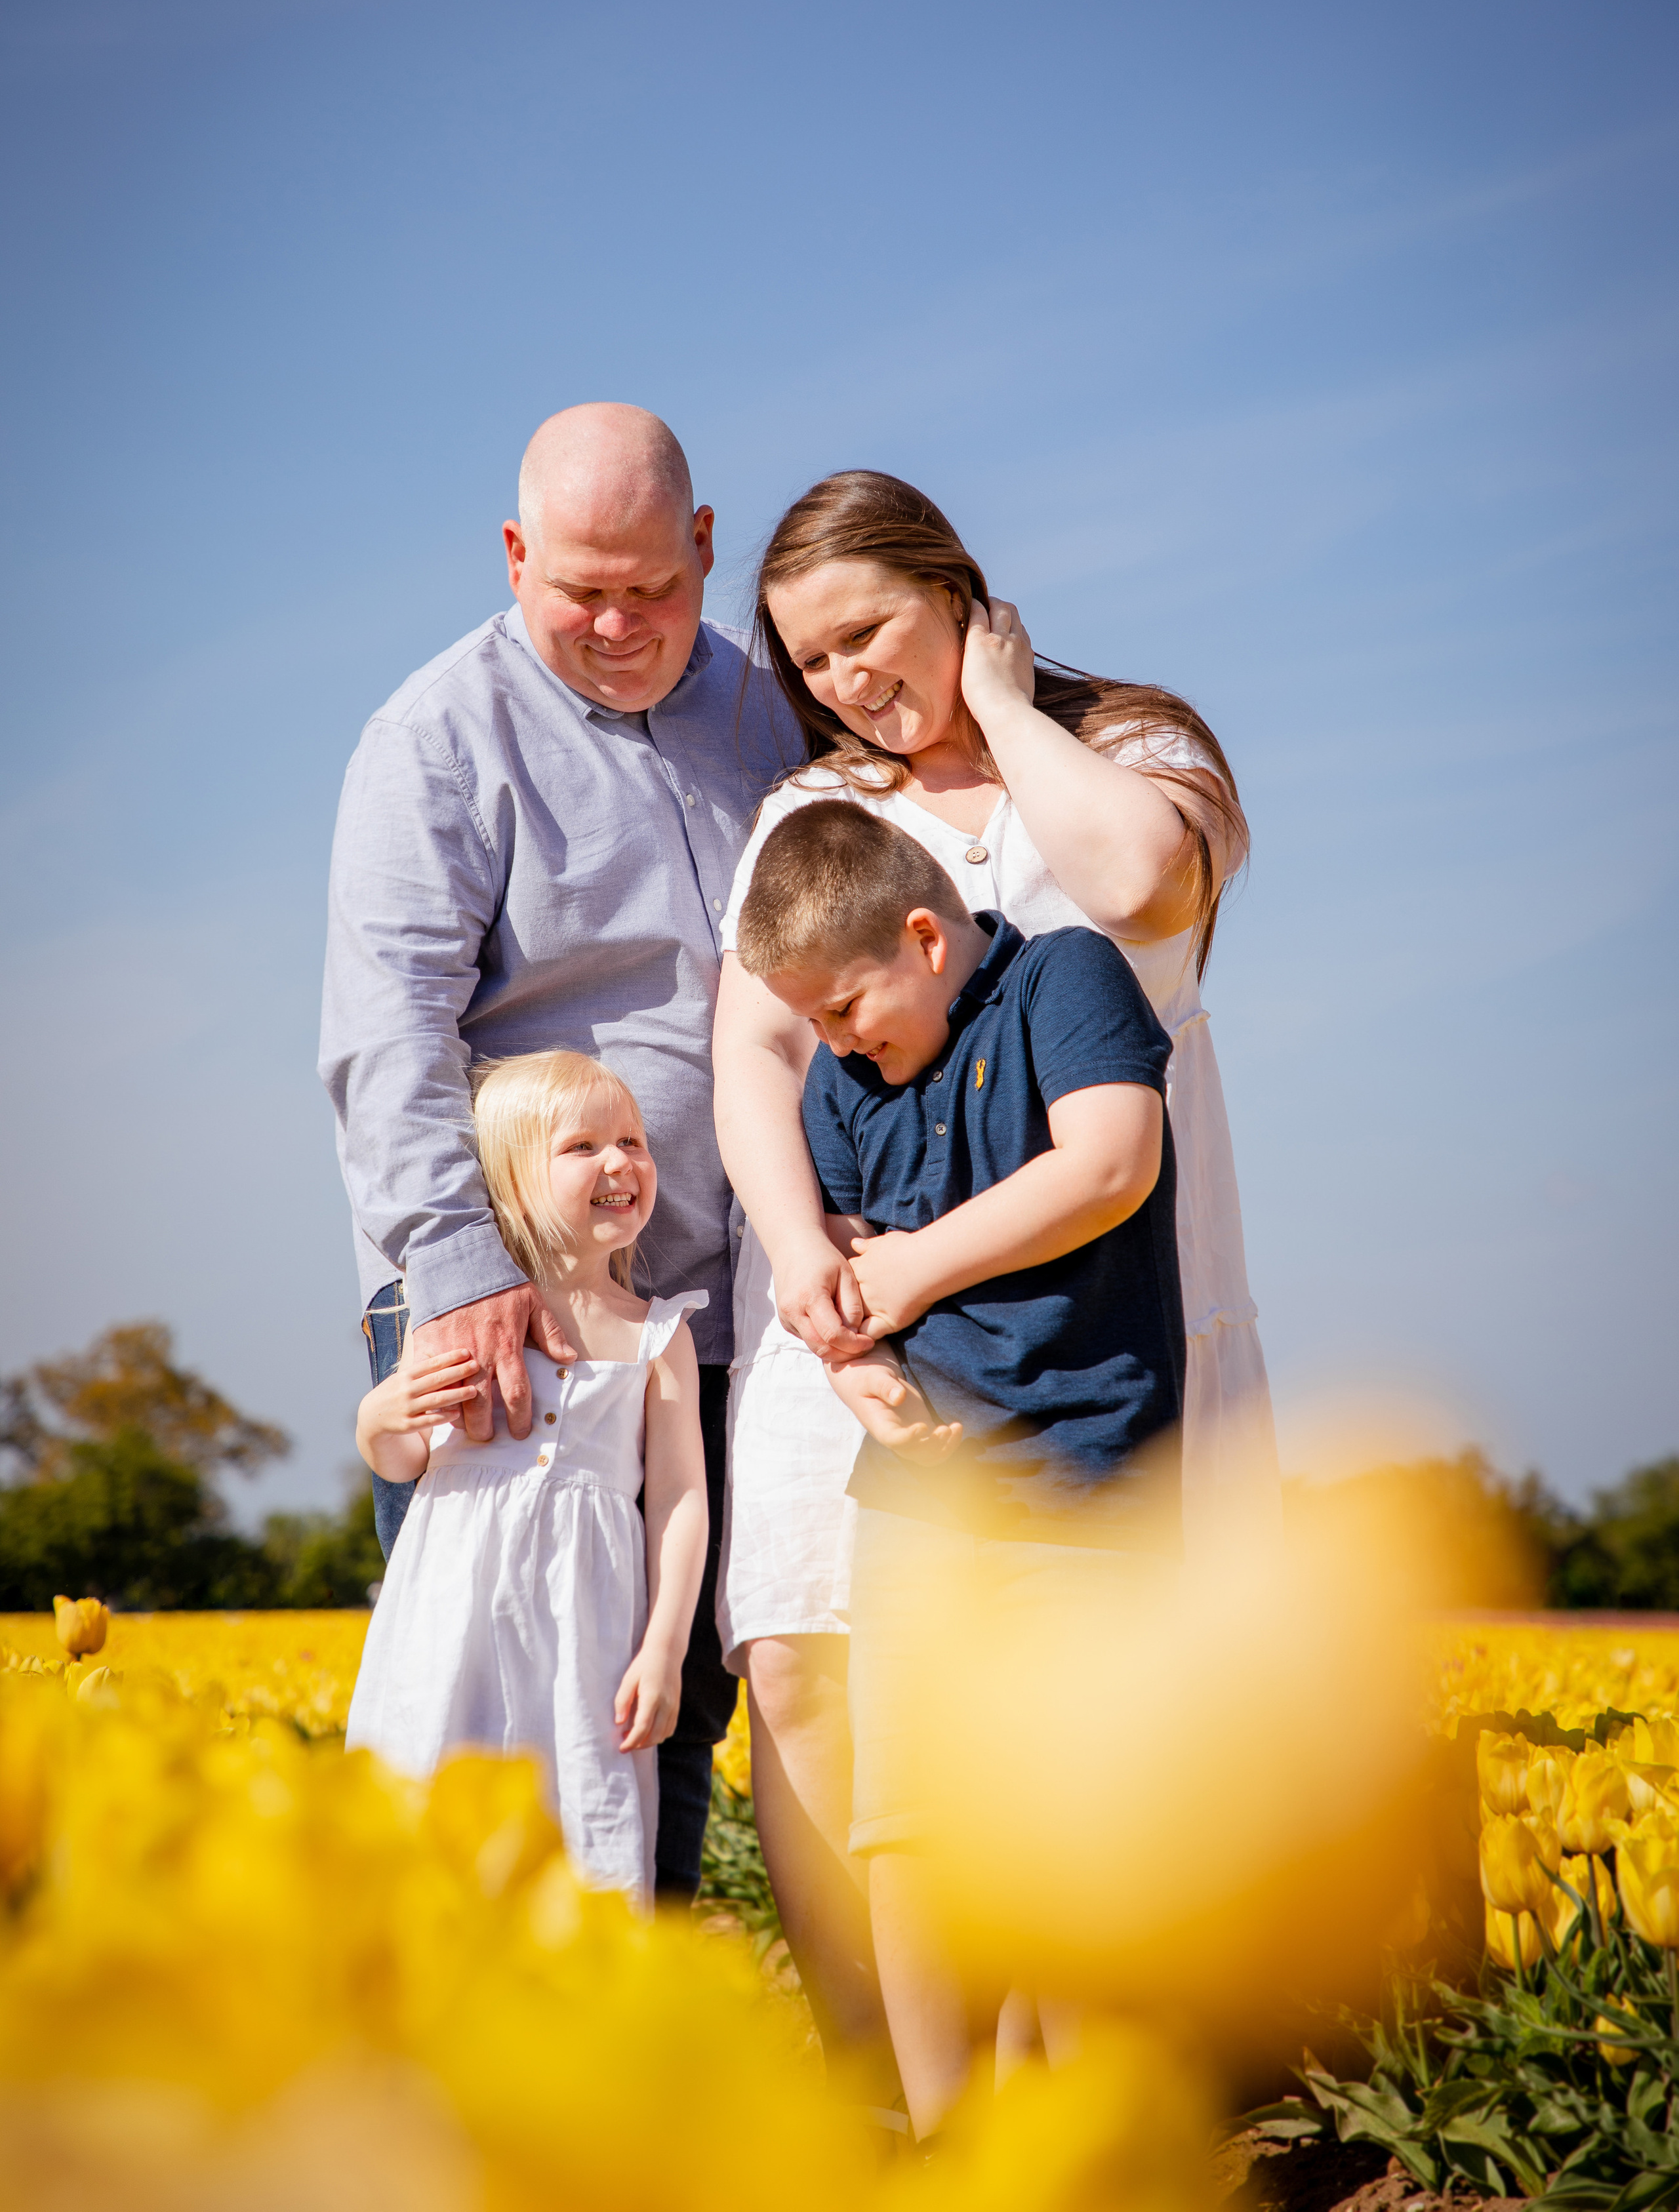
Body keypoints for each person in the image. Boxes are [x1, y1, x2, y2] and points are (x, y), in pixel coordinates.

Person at [711, 468, 1276, 2035]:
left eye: (866, 630)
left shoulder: (1135, 750)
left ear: (950, 583)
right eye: (808, 660)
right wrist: (796, 1242)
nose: (845, 681)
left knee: (1074, 1706)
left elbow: (1132, 880)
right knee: (806, 1666)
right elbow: (750, 1050)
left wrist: (1009, 713)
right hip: (865, 1305)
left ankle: (1063, 2092)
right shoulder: (816, 814)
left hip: (1094, 1294)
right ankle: (874, 2095)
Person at [319, 402, 802, 1899]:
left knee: (658, 1714)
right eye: (577, 588)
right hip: (515, 1309)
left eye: (652, 590)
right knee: (489, 1718)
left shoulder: (768, 714)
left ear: (705, 550)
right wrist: (467, 1274)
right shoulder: (432, 740)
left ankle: (620, 2074)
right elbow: (386, 1032)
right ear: (515, 555)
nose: (613, 623)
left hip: (729, 1310)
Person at [733, 800, 1184, 2133]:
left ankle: (1065, 2137)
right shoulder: (841, 1083)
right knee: (911, 1828)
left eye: (843, 1009)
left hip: (1087, 1484)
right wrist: (857, 1364)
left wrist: (904, 1274)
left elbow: (1107, 1165)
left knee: (1072, 1828)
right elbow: (839, 1269)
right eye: (809, 1026)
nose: (831, 1046)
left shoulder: (1063, 977)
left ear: (924, 937)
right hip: (921, 1497)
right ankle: (946, 2145)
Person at [346, 1051, 708, 1907]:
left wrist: (664, 1648)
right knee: (430, 1791)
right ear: (509, 1184)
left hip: (586, 1629)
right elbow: (404, 1459)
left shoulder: (659, 1333)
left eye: (634, 1141)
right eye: (582, 1147)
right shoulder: (461, 1319)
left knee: (579, 1807)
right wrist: (381, 1418)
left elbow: (681, 1497)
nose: (621, 1163)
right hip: (454, 1612)